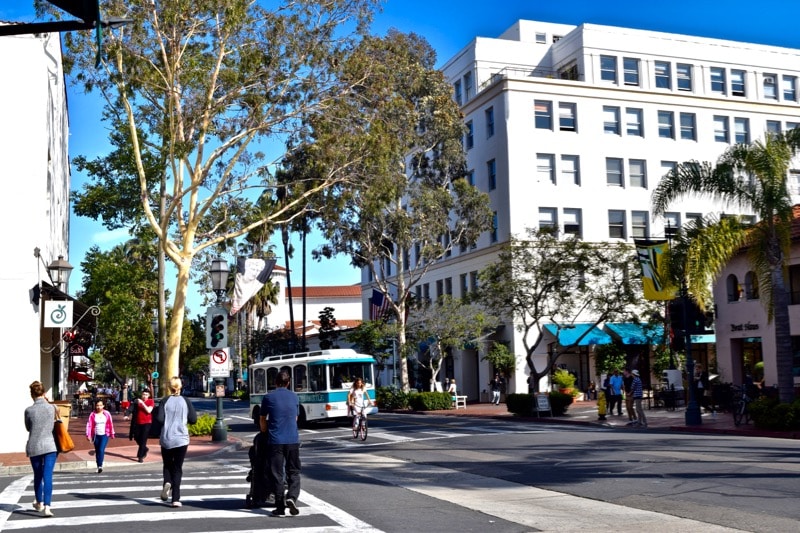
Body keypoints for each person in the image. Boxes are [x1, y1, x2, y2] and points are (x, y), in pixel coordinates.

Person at [260, 370, 301, 517]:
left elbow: (262, 419)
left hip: (276, 440)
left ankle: (280, 506)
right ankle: (291, 496)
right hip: (293, 440)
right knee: (294, 471)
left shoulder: (268, 397)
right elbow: (295, 418)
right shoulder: (295, 397)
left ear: (275, 382)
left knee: (277, 474)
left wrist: (264, 431)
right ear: (288, 382)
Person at [157, 376, 197, 508]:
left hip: (167, 438)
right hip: (181, 438)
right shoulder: (186, 401)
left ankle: (167, 482)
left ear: (170, 387)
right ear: (180, 387)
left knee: (167, 464)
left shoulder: (164, 401)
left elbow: (160, 419)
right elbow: (193, 419)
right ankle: (175, 498)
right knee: (178, 468)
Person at [25, 381, 58, 517]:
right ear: (44, 393)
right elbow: (57, 419)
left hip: (34, 445)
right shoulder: (52, 408)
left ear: (32, 395)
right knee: (48, 475)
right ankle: (47, 507)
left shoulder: (28, 410)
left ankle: (39, 502)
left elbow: (28, 427)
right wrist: (49, 401)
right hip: (50, 445)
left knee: (38, 475)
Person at [86, 398, 116, 473]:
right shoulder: (92, 415)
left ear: (103, 406)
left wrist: (112, 433)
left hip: (104, 435)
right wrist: (88, 435)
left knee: (101, 449)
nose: (99, 407)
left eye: (100, 405)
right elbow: (89, 425)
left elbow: (110, 423)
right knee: (97, 450)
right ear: (95, 406)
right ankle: (98, 465)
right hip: (96, 435)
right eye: (97, 405)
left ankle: (100, 466)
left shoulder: (107, 414)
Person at [124, 389, 154, 462]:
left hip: (147, 423)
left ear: (149, 395)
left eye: (146, 395)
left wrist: (142, 403)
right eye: (143, 394)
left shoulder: (151, 401)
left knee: (143, 439)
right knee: (137, 437)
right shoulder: (137, 402)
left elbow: (149, 410)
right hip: (137, 422)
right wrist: (126, 415)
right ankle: (145, 448)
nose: (144, 396)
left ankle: (140, 456)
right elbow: (130, 408)